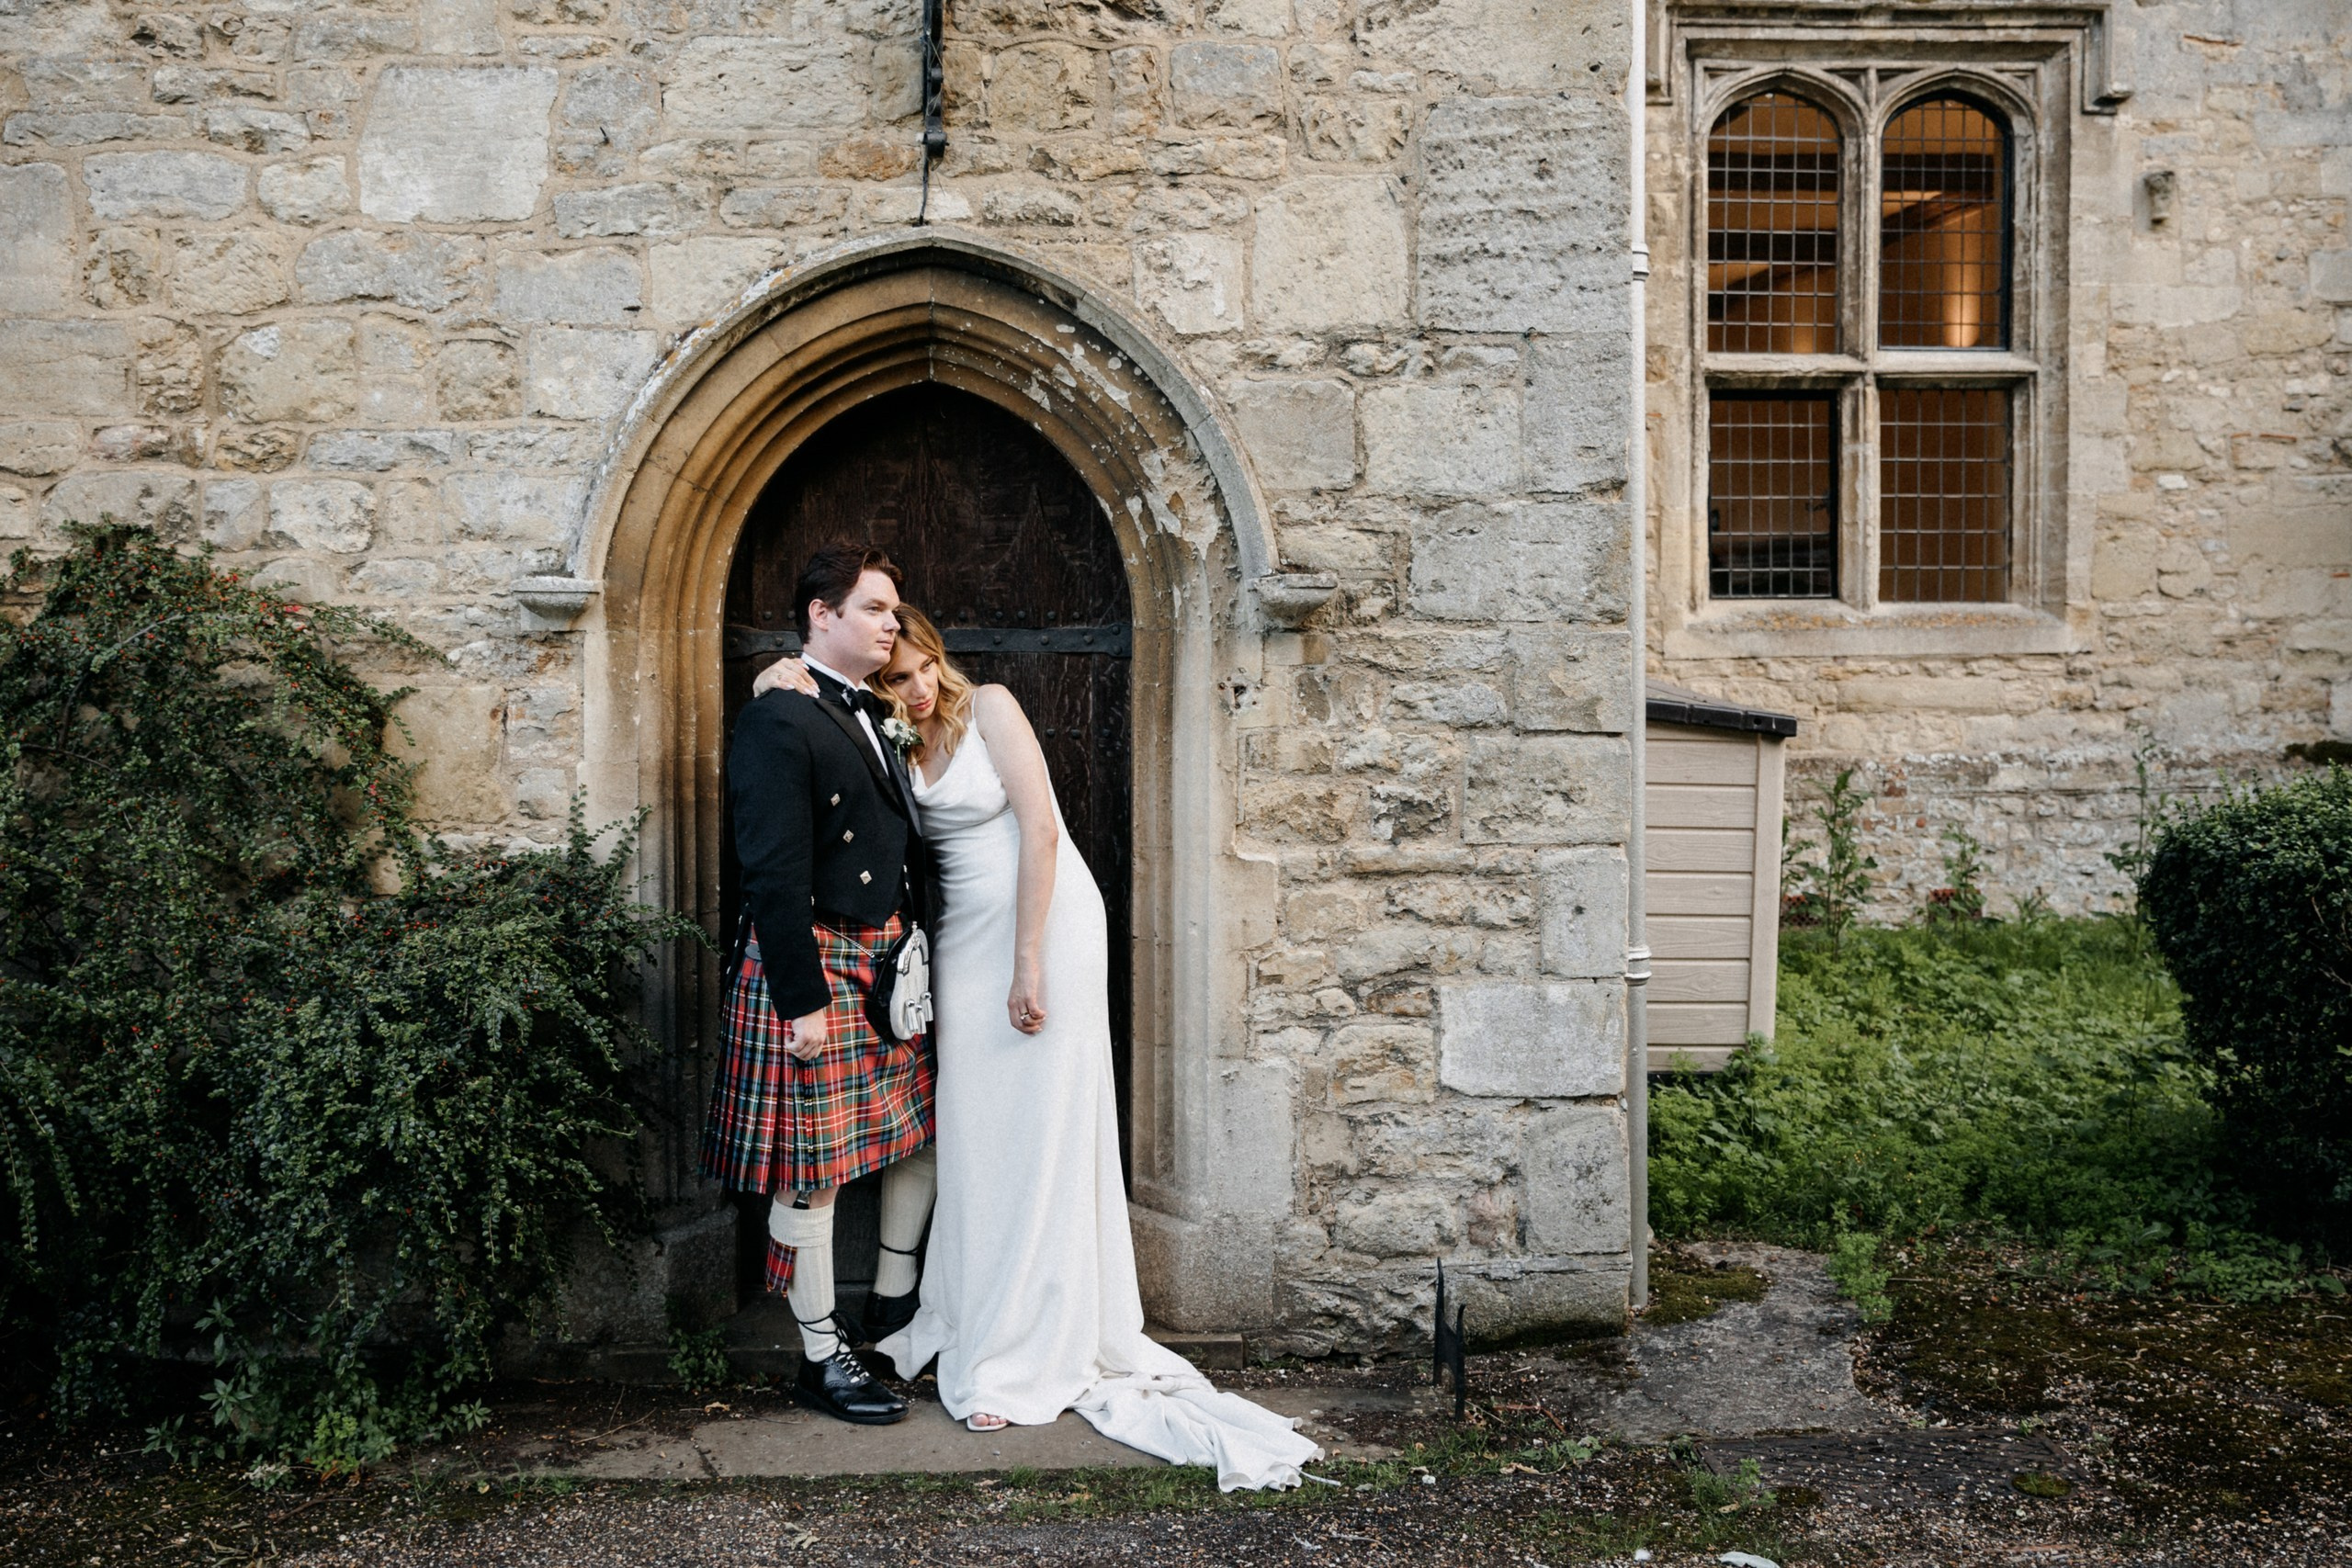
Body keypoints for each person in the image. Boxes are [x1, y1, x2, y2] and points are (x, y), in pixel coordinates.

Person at [753, 607, 1321, 1489]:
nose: (920, 686)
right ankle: (968, 1309)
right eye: (897, 678)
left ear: (941, 657)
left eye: (925, 667)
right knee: (978, 1131)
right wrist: (770, 676)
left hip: (1042, 928)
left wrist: (1028, 963)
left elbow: (1043, 830)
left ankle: (1028, 1344)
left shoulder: (996, 708)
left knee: (1042, 1129)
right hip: (962, 946)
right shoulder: (892, 740)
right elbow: (814, 724)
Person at [702, 544, 939, 1427]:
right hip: (815, 962)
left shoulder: (870, 707)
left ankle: (892, 1305)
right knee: (813, 1172)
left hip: (882, 963)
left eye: (893, 609)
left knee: (918, 1135)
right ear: (821, 615)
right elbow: (769, 867)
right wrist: (799, 999)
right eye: (875, 608)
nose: (891, 623)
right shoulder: (778, 718)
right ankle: (819, 1353)